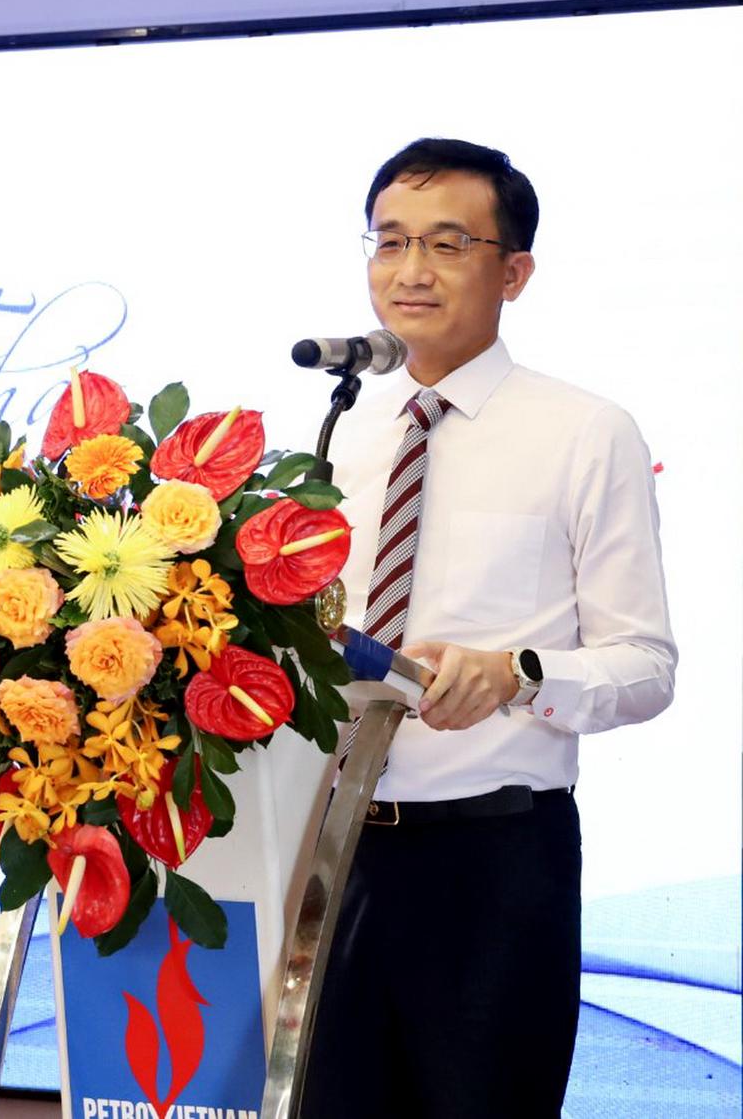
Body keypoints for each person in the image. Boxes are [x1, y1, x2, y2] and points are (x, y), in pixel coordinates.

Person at [300, 138, 677, 1119]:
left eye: (446, 243)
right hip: (328, 856)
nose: (410, 270)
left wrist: (517, 672)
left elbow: (644, 665)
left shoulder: (585, 432)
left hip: (492, 863)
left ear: (513, 271)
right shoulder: (342, 432)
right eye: (389, 241)